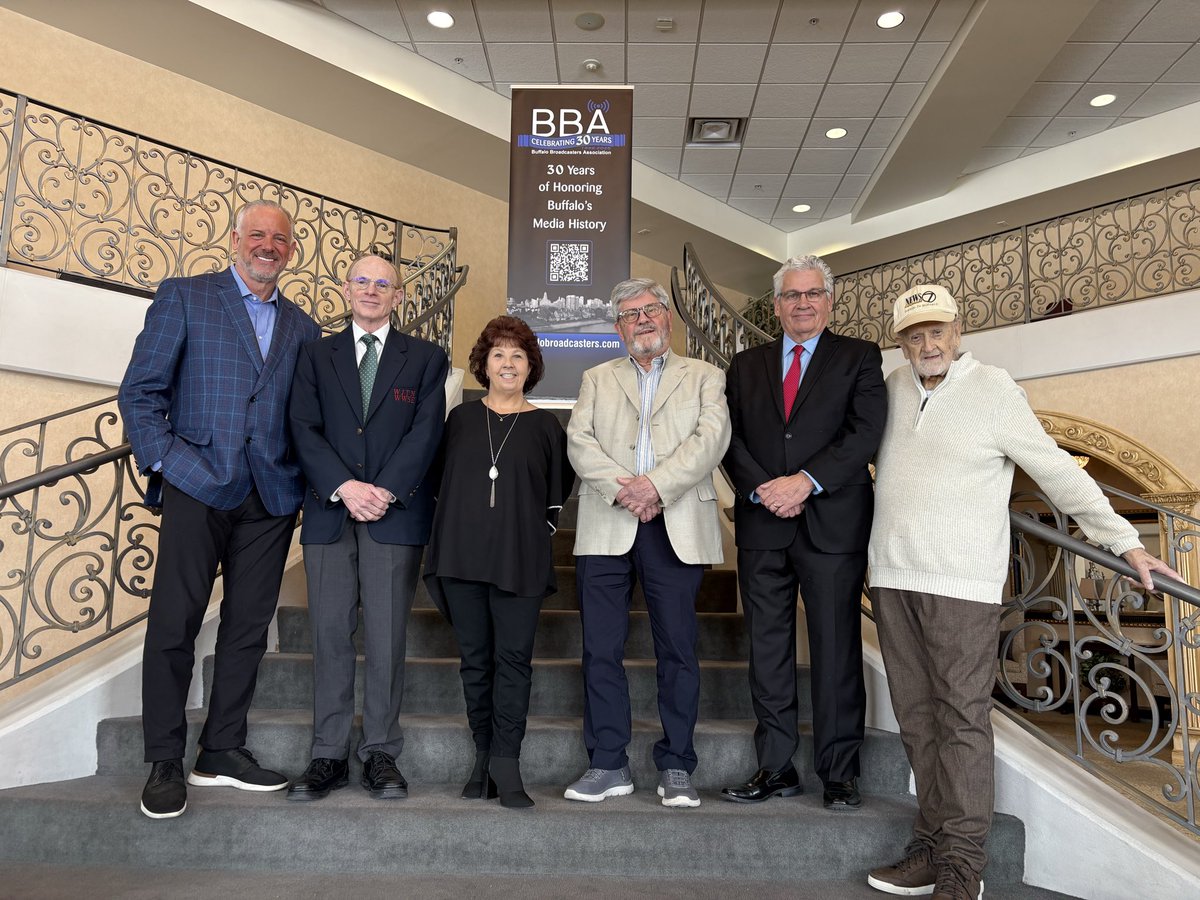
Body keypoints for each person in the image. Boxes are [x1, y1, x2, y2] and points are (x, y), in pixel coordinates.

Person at [866, 284, 1181, 900]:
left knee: (961, 719)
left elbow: (1056, 468)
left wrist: (1121, 540)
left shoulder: (994, 389)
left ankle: (963, 863)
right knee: (915, 718)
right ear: (901, 343)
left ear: (958, 333)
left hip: (961, 584)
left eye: (938, 331)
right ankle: (930, 845)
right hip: (891, 577)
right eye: (914, 334)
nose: (927, 343)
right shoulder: (893, 391)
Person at [118, 200, 321, 819]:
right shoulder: (185, 296)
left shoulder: (303, 327)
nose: (268, 246)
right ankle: (163, 760)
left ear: (291, 251)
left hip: (271, 498)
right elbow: (141, 390)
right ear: (235, 240)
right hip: (197, 484)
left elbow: (304, 414)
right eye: (257, 235)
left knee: (247, 630)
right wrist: (165, 461)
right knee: (175, 623)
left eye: (279, 239)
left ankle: (222, 749)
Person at [721, 255, 887, 811]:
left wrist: (805, 482)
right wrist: (765, 489)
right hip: (763, 524)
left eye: (813, 293)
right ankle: (775, 767)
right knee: (766, 652)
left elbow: (865, 434)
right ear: (776, 306)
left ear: (829, 300)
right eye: (792, 295)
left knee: (837, 649)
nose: (802, 303)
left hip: (831, 526)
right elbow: (730, 440)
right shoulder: (744, 365)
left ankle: (839, 772)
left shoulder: (860, 358)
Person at [286, 254, 448, 803]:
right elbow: (302, 428)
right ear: (346, 288)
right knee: (330, 636)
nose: (372, 290)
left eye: (383, 284)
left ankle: (381, 752)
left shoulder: (426, 358)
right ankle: (327, 755)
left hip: (394, 515)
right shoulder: (313, 355)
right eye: (362, 281)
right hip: (330, 513)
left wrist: (383, 490)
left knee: (386, 637)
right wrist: (345, 487)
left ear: (399, 296)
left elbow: (426, 434)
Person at [564, 278, 731, 808]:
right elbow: (579, 442)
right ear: (618, 328)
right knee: (600, 650)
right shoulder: (595, 378)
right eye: (630, 314)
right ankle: (608, 762)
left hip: (676, 523)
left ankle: (677, 764)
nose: (642, 320)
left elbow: (711, 440)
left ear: (668, 319)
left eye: (651, 310)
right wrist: (628, 491)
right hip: (608, 521)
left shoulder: (705, 376)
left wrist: (656, 487)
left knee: (678, 650)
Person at [424, 316, 575, 809]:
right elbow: (438, 485)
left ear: (530, 366)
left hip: (520, 561)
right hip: (462, 558)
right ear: (483, 365)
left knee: (513, 662)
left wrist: (537, 535)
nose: (508, 363)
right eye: (498, 355)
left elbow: (557, 495)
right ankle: (482, 756)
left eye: (518, 356)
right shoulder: (461, 420)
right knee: (476, 662)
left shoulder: (547, 426)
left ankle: (507, 761)